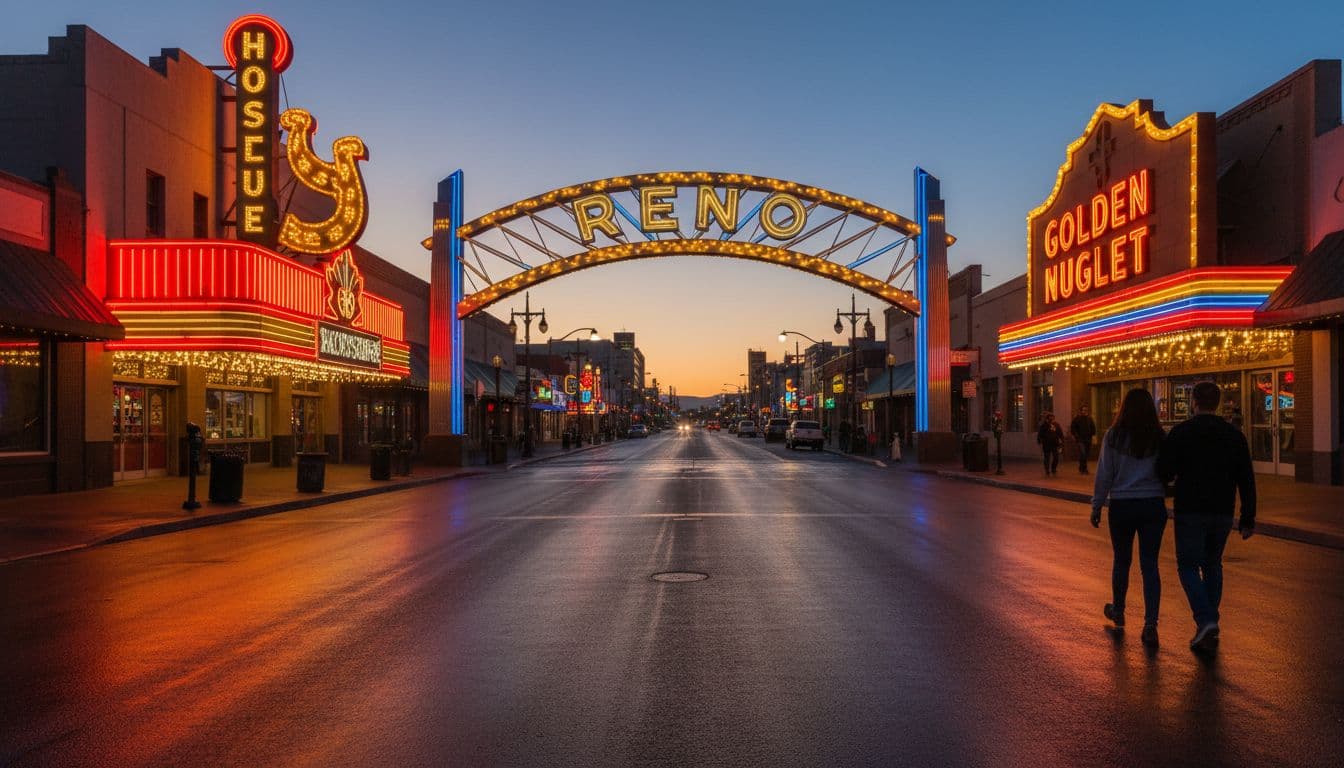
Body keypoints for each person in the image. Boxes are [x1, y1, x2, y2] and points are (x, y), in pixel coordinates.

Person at [1158, 381, 1256, 654]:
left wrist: (1168, 485)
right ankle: (1208, 624)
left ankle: (1206, 620)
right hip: (1223, 510)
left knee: (1188, 566)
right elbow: (1246, 479)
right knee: (1213, 564)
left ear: (1193, 402)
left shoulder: (1181, 433)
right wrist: (1247, 517)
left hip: (1190, 509)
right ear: (1219, 403)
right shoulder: (1234, 435)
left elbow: (1164, 471)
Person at [1090, 389, 1167, 647]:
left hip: (1122, 504)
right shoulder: (1158, 436)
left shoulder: (1113, 436)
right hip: (1152, 504)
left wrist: (1097, 505)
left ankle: (1119, 609)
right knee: (1150, 565)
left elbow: (1104, 474)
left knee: (1122, 560)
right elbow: (1168, 470)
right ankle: (1150, 623)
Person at [1070, 405, 1098, 474]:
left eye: (1086, 410)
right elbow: (1073, 428)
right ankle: (1084, 468)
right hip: (1080, 439)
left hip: (1088, 439)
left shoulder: (1089, 419)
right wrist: (1076, 436)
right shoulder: (1077, 419)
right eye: (1083, 410)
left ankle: (1081, 467)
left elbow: (1093, 427)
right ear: (1081, 411)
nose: (1085, 411)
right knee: (1083, 453)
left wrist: (1093, 435)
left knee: (1086, 454)